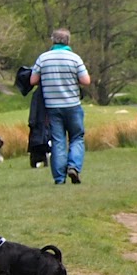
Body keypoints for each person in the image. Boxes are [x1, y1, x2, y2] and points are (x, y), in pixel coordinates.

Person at [29, 28, 91, 185]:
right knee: (77, 137)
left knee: (58, 141)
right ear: (68, 41)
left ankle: (59, 178)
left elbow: (33, 80)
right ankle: (74, 166)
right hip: (72, 105)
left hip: (52, 106)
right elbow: (86, 80)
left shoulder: (43, 58)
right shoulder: (75, 58)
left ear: (53, 40)